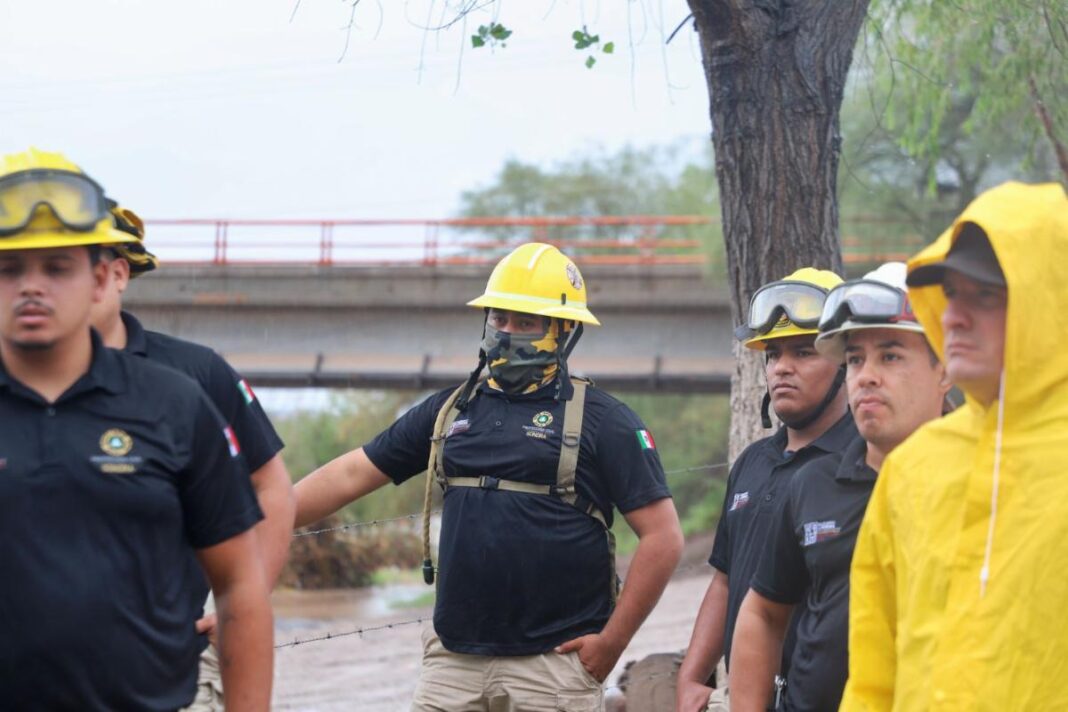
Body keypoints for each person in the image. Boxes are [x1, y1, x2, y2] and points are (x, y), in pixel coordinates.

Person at [294, 242, 684, 711]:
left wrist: (611, 643)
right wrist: (260, 520)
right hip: (452, 664)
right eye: (499, 319)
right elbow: (351, 473)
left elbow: (663, 538)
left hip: (555, 666)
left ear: (563, 330)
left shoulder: (605, 421)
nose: (507, 333)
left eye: (526, 323)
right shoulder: (449, 410)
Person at [0, 148, 273, 709]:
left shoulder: (176, 403)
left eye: (57, 267)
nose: (32, 287)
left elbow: (240, 588)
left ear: (102, 277)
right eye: (9, 269)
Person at [839, 182, 1068, 711]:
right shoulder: (913, 469)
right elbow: (872, 676)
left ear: (1051, 299)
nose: (954, 316)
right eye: (951, 294)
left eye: (985, 295)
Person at [89, 202, 295, 711]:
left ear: (118, 274)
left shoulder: (194, 376)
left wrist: (243, 604)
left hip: (169, 665)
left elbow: (271, 487)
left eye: (64, 267)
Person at [728, 262, 950, 711]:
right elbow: (763, 613)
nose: (866, 376)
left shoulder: (983, 483)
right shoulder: (813, 484)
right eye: (855, 360)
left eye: (890, 356)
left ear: (945, 370)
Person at [677, 268, 858, 712]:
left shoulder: (863, 464)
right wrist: (691, 678)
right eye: (773, 354)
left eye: (803, 352)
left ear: (844, 362)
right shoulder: (752, 463)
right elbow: (724, 580)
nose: (782, 368)